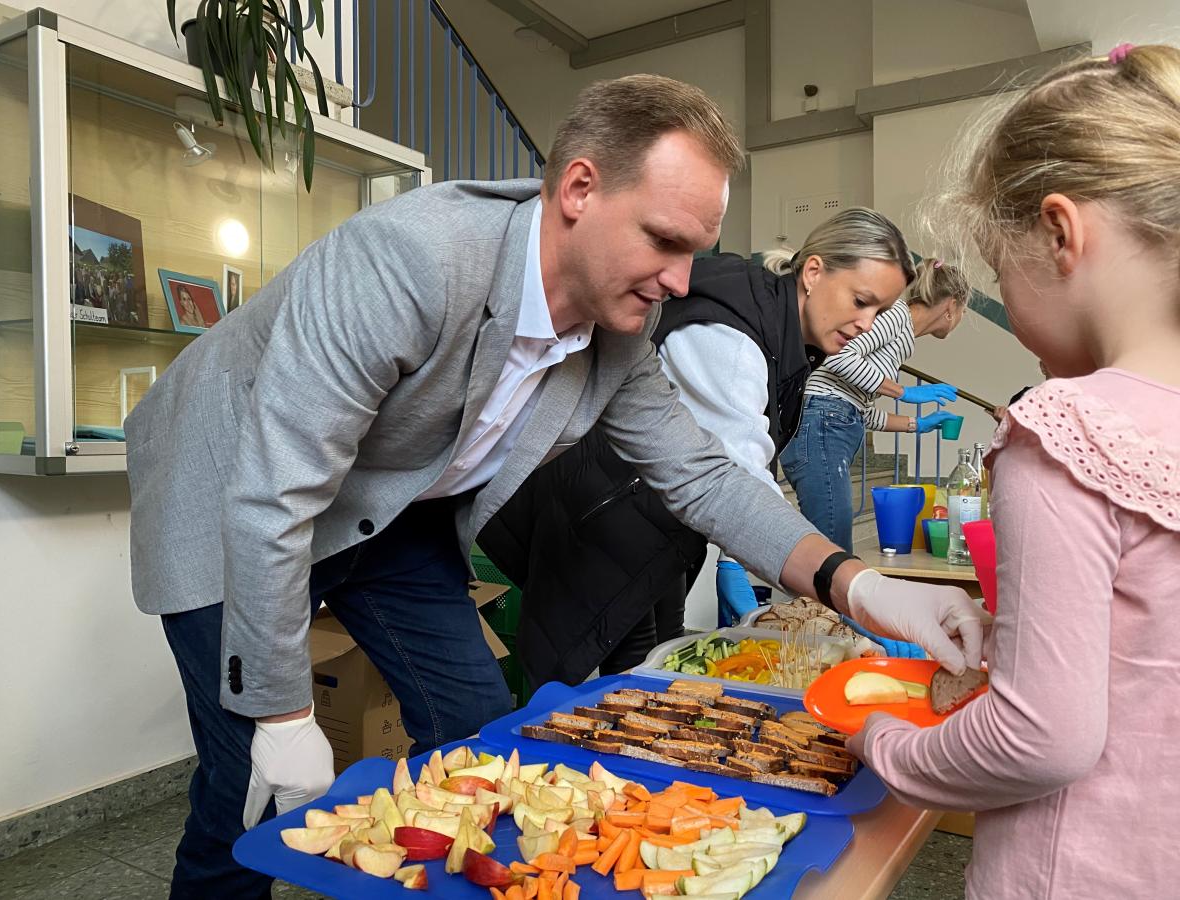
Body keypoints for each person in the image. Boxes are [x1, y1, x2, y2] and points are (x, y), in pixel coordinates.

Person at [125, 74, 989, 899]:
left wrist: (860, 584)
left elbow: (702, 476)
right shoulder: (408, 260)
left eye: (695, 250)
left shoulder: (621, 327)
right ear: (579, 188)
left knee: (468, 729)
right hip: (231, 487)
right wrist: (281, 714)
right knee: (245, 777)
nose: (682, 282)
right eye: (663, 240)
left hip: (385, 512)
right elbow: (277, 490)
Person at [847, 43, 1180, 899]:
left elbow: (1043, 739)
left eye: (1001, 273)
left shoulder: (1066, 431)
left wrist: (888, 746)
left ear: (1061, 235)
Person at [479, 207, 916, 684]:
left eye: (879, 311)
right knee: (608, 683)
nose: (868, 323)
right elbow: (734, 477)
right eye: (861, 301)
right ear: (813, 272)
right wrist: (845, 584)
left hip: (651, 521)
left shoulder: (777, 325)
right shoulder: (733, 339)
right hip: (599, 518)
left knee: (654, 667)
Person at [779, 258, 970, 552]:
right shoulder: (895, 315)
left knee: (833, 545)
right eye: (963, 311)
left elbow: (859, 409)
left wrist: (916, 425)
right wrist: (902, 391)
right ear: (951, 306)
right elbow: (838, 357)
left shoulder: (902, 335)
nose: (960, 319)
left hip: (834, 420)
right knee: (833, 548)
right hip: (820, 422)